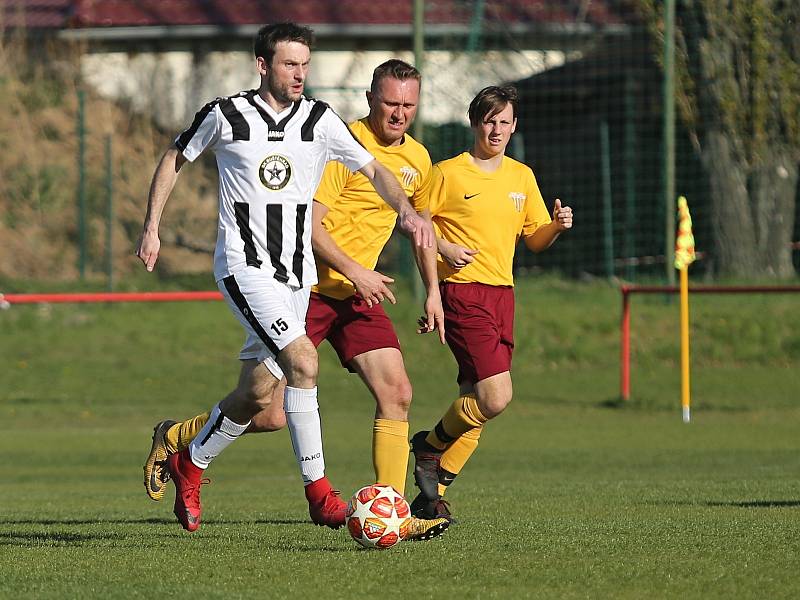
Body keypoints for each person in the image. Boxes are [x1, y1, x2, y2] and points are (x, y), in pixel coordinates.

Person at [136, 23, 435, 534]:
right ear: (263, 66)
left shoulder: (320, 119)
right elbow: (174, 157)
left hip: (296, 276)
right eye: (289, 64)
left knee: (257, 399)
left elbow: (375, 169)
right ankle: (321, 496)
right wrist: (152, 227)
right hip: (243, 267)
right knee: (303, 360)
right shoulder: (226, 114)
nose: (300, 74)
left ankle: (191, 460)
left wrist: (405, 210)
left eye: (304, 64)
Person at [409, 84, 574, 520]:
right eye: (489, 120)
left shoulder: (521, 176)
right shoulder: (447, 173)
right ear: (475, 122)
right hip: (463, 291)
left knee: (474, 400)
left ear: (514, 125)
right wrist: (433, 288)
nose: (496, 129)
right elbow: (418, 230)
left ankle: (431, 497)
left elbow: (534, 239)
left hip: (504, 294)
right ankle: (429, 447)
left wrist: (555, 227)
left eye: (504, 121)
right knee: (496, 396)